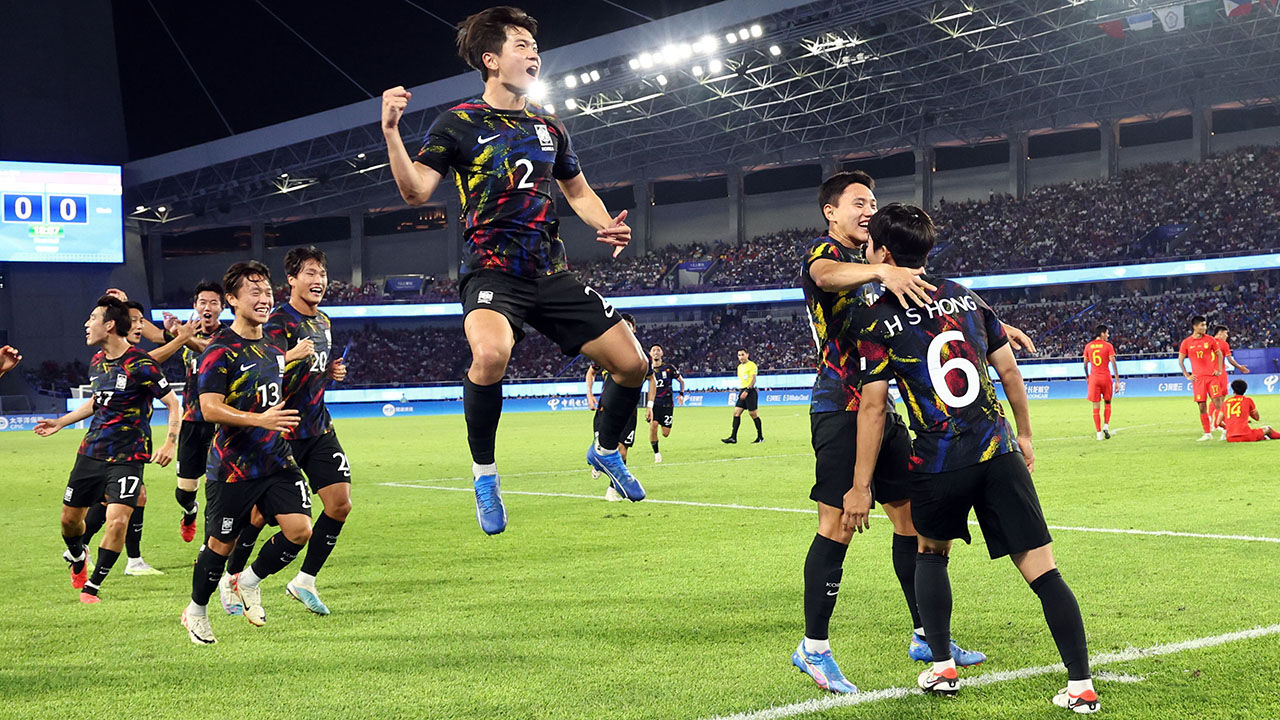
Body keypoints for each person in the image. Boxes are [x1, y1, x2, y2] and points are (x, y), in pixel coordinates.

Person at [382, 5, 648, 535]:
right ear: (491, 59)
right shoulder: (456, 123)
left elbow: (577, 189)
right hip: (492, 274)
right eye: (521, 45)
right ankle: (484, 475)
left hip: (550, 273)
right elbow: (416, 190)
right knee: (490, 353)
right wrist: (391, 131)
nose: (534, 53)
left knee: (634, 364)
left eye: (534, 45)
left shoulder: (549, 126)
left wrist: (604, 224)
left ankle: (603, 450)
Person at [848, 204, 1096, 713]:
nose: (867, 252)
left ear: (885, 254)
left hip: (940, 461)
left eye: (870, 246)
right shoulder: (964, 296)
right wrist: (1024, 435)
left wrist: (860, 483)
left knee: (930, 555)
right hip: (997, 449)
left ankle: (942, 669)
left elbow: (873, 407)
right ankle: (1080, 686)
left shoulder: (875, 318)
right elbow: (1008, 371)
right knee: (1045, 573)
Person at [793, 171, 993, 695]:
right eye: (858, 202)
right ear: (830, 212)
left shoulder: (875, 264)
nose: (868, 209)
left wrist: (992, 332)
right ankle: (813, 649)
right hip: (840, 406)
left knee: (909, 518)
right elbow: (826, 275)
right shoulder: (827, 256)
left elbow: (932, 307)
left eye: (873, 202)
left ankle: (926, 635)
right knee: (837, 522)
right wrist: (881, 272)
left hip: (882, 412)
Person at [181, 261, 312, 645]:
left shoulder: (273, 344)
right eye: (254, 292)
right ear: (233, 300)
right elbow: (209, 407)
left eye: (267, 291)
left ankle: (248, 581)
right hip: (232, 468)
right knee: (219, 547)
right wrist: (259, 420)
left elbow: (272, 385)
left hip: (276, 460)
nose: (264, 298)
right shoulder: (219, 350)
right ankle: (196, 611)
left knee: (300, 529)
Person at [219, 246, 351, 617]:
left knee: (340, 505)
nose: (318, 280)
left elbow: (314, 372)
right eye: (309, 273)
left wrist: (330, 372)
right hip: (282, 432)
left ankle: (304, 580)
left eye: (321, 274)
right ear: (291, 279)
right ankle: (232, 579)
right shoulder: (277, 322)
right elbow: (261, 370)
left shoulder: (324, 322)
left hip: (318, 427)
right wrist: (290, 357)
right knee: (259, 517)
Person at [35, 296, 179, 603]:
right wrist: (61, 422)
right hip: (91, 452)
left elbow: (173, 402)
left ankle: (93, 586)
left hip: (129, 457)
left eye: (92, 318)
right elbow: (97, 401)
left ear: (109, 325)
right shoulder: (97, 362)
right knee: (69, 520)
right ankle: (77, 555)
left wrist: (170, 440)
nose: (87, 324)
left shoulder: (142, 364)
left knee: (117, 520)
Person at [78, 301, 197, 576]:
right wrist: (181, 339)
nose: (139, 326)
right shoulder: (125, 359)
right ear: (116, 325)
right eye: (134, 320)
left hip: (122, 442)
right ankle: (83, 548)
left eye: (141, 320)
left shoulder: (132, 356)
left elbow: (152, 351)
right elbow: (150, 359)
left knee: (136, 496)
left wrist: (177, 335)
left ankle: (130, 559)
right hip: (114, 444)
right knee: (114, 499)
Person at [169, 281, 226, 542]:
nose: (208, 307)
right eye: (203, 302)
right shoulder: (186, 334)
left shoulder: (228, 338)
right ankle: (190, 511)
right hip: (191, 421)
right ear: (195, 306)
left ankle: (209, 547)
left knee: (217, 489)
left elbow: (209, 351)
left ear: (222, 308)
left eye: (213, 303)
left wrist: (182, 336)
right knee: (185, 492)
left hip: (220, 420)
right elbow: (150, 334)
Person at [586, 314, 640, 500]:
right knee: (605, 445)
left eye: (628, 325)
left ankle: (612, 488)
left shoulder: (640, 354)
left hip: (629, 409)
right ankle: (599, 462)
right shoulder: (607, 351)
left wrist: (649, 405)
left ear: (633, 329)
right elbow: (591, 372)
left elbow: (651, 378)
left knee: (622, 447)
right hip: (606, 407)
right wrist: (590, 393)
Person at [1177, 316, 1222, 441]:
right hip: (1198, 379)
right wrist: (1187, 374)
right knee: (1202, 406)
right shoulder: (1186, 342)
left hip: (1211, 377)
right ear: (1195, 327)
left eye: (1205, 325)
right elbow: (1180, 360)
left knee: (1218, 403)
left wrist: (1218, 369)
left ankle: (1226, 428)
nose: (1205, 328)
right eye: (1202, 325)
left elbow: (1219, 353)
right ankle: (1207, 433)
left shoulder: (1210, 339)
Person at [645, 344, 684, 463]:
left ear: (662, 353)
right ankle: (656, 453)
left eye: (658, 350)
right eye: (653, 350)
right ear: (650, 354)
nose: (656, 352)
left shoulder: (669, 368)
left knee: (665, 433)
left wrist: (681, 394)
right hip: (654, 403)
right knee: (653, 426)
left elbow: (681, 381)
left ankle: (658, 443)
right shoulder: (647, 369)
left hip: (667, 404)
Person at [1210, 325, 1250, 437]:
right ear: (1220, 333)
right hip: (1220, 374)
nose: (1227, 336)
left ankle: (1214, 423)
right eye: (1226, 333)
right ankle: (1219, 424)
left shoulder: (1208, 342)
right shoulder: (1223, 344)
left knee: (1215, 399)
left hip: (1211, 374)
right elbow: (1230, 359)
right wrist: (1240, 367)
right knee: (1220, 401)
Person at [1083, 325, 1118, 441]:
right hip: (1106, 377)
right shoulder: (1108, 346)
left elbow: (1085, 364)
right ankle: (1106, 425)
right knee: (1108, 402)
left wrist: (1088, 377)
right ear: (1102, 333)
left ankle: (1098, 433)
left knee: (1095, 405)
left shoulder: (1088, 346)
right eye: (1107, 333)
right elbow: (1113, 363)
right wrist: (1117, 380)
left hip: (1094, 378)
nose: (1108, 335)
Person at [722, 349, 762, 444]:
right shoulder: (739, 367)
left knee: (753, 414)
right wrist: (742, 391)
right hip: (742, 391)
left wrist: (747, 390)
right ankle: (733, 437)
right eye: (739, 355)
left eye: (742, 354)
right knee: (736, 413)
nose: (741, 357)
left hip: (750, 392)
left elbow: (753, 380)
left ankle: (760, 437)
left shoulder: (752, 365)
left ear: (747, 355)